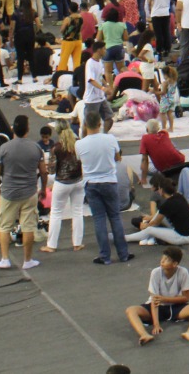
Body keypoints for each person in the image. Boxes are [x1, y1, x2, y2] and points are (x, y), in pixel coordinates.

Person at [0, 114, 48, 270]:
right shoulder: (36, 148)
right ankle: (27, 259)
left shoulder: (4, 148)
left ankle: (4, 258)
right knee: (28, 226)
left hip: (9, 192)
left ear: (13, 129)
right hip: (29, 192)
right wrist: (43, 189)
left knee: (4, 225)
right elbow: (43, 172)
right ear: (27, 129)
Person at [79, 113, 132, 265]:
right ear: (99, 124)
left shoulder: (80, 144)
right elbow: (117, 158)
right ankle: (123, 253)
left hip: (91, 182)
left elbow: (80, 160)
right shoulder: (110, 139)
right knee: (115, 217)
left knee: (99, 219)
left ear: (85, 125)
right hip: (109, 180)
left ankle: (105, 255)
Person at [126, 245, 189, 345]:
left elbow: (186, 298)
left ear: (175, 264)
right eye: (162, 258)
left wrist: (165, 299)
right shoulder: (155, 272)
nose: (162, 261)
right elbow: (155, 301)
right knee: (131, 310)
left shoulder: (183, 272)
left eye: (166, 260)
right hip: (157, 307)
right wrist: (156, 324)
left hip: (175, 306)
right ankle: (144, 334)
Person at [44, 120, 85, 253]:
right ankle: (77, 243)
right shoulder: (78, 144)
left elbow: (51, 170)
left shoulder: (56, 148)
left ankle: (52, 245)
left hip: (62, 182)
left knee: (56, 213)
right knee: (78, 211)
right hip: (78, 180)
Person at [127, 174, 189, 247]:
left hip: (183, 237)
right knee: (158, 215)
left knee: (150, 230)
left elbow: (155, 222)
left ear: (161, 190)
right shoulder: (178, 196)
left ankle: (127, 238)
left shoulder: (167, 204)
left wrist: (146, 225)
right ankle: (149, 237)